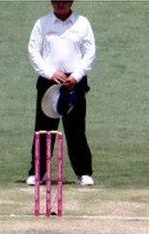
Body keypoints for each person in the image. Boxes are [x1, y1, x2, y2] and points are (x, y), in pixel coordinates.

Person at [25, 0, 96, 187]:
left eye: (64, 1)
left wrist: (77, 76)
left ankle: (83, 173)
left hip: (74, 82)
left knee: (76, 129)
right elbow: (33, 52)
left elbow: (90, 53)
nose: (60, 5)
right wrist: (50, 72)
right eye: (56, 1)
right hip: (49, 80)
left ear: (71, 2)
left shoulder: (82, 23)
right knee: (44, 127)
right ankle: (37, 172)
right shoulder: (42, 23)